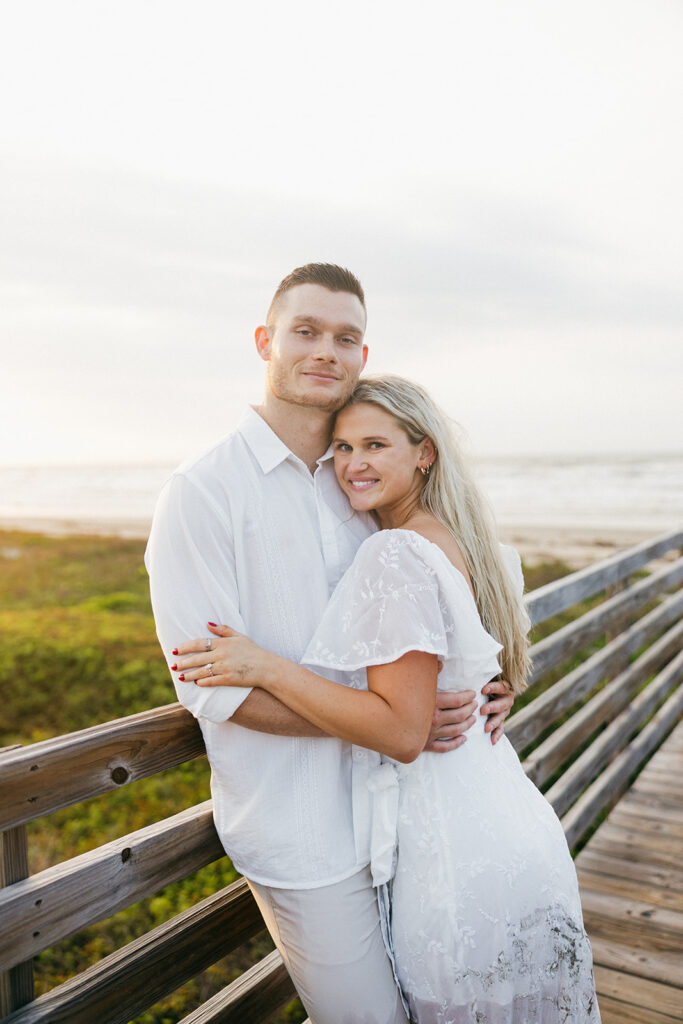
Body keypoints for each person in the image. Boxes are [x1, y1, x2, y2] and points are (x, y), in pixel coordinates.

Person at [145, 265, 514, 1024]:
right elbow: (214, 690)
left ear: (362, 355)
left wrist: (484, 684)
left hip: (409, 815)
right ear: (264, 342)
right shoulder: (203, 492)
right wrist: (391, 719)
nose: (325, 351)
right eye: (305, 331)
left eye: (344, 337)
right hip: (302, 830)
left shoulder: (358, 478)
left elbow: (429, 615)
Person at [173, 375, 601, 1023]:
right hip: (513, 831)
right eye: (341, 449)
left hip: (453, 859)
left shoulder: (393, 553)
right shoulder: (485, 551)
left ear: (423, 452)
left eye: (375, 445)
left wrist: (266, 666)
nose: (353, 465)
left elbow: (401, 731)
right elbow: (480, 671)